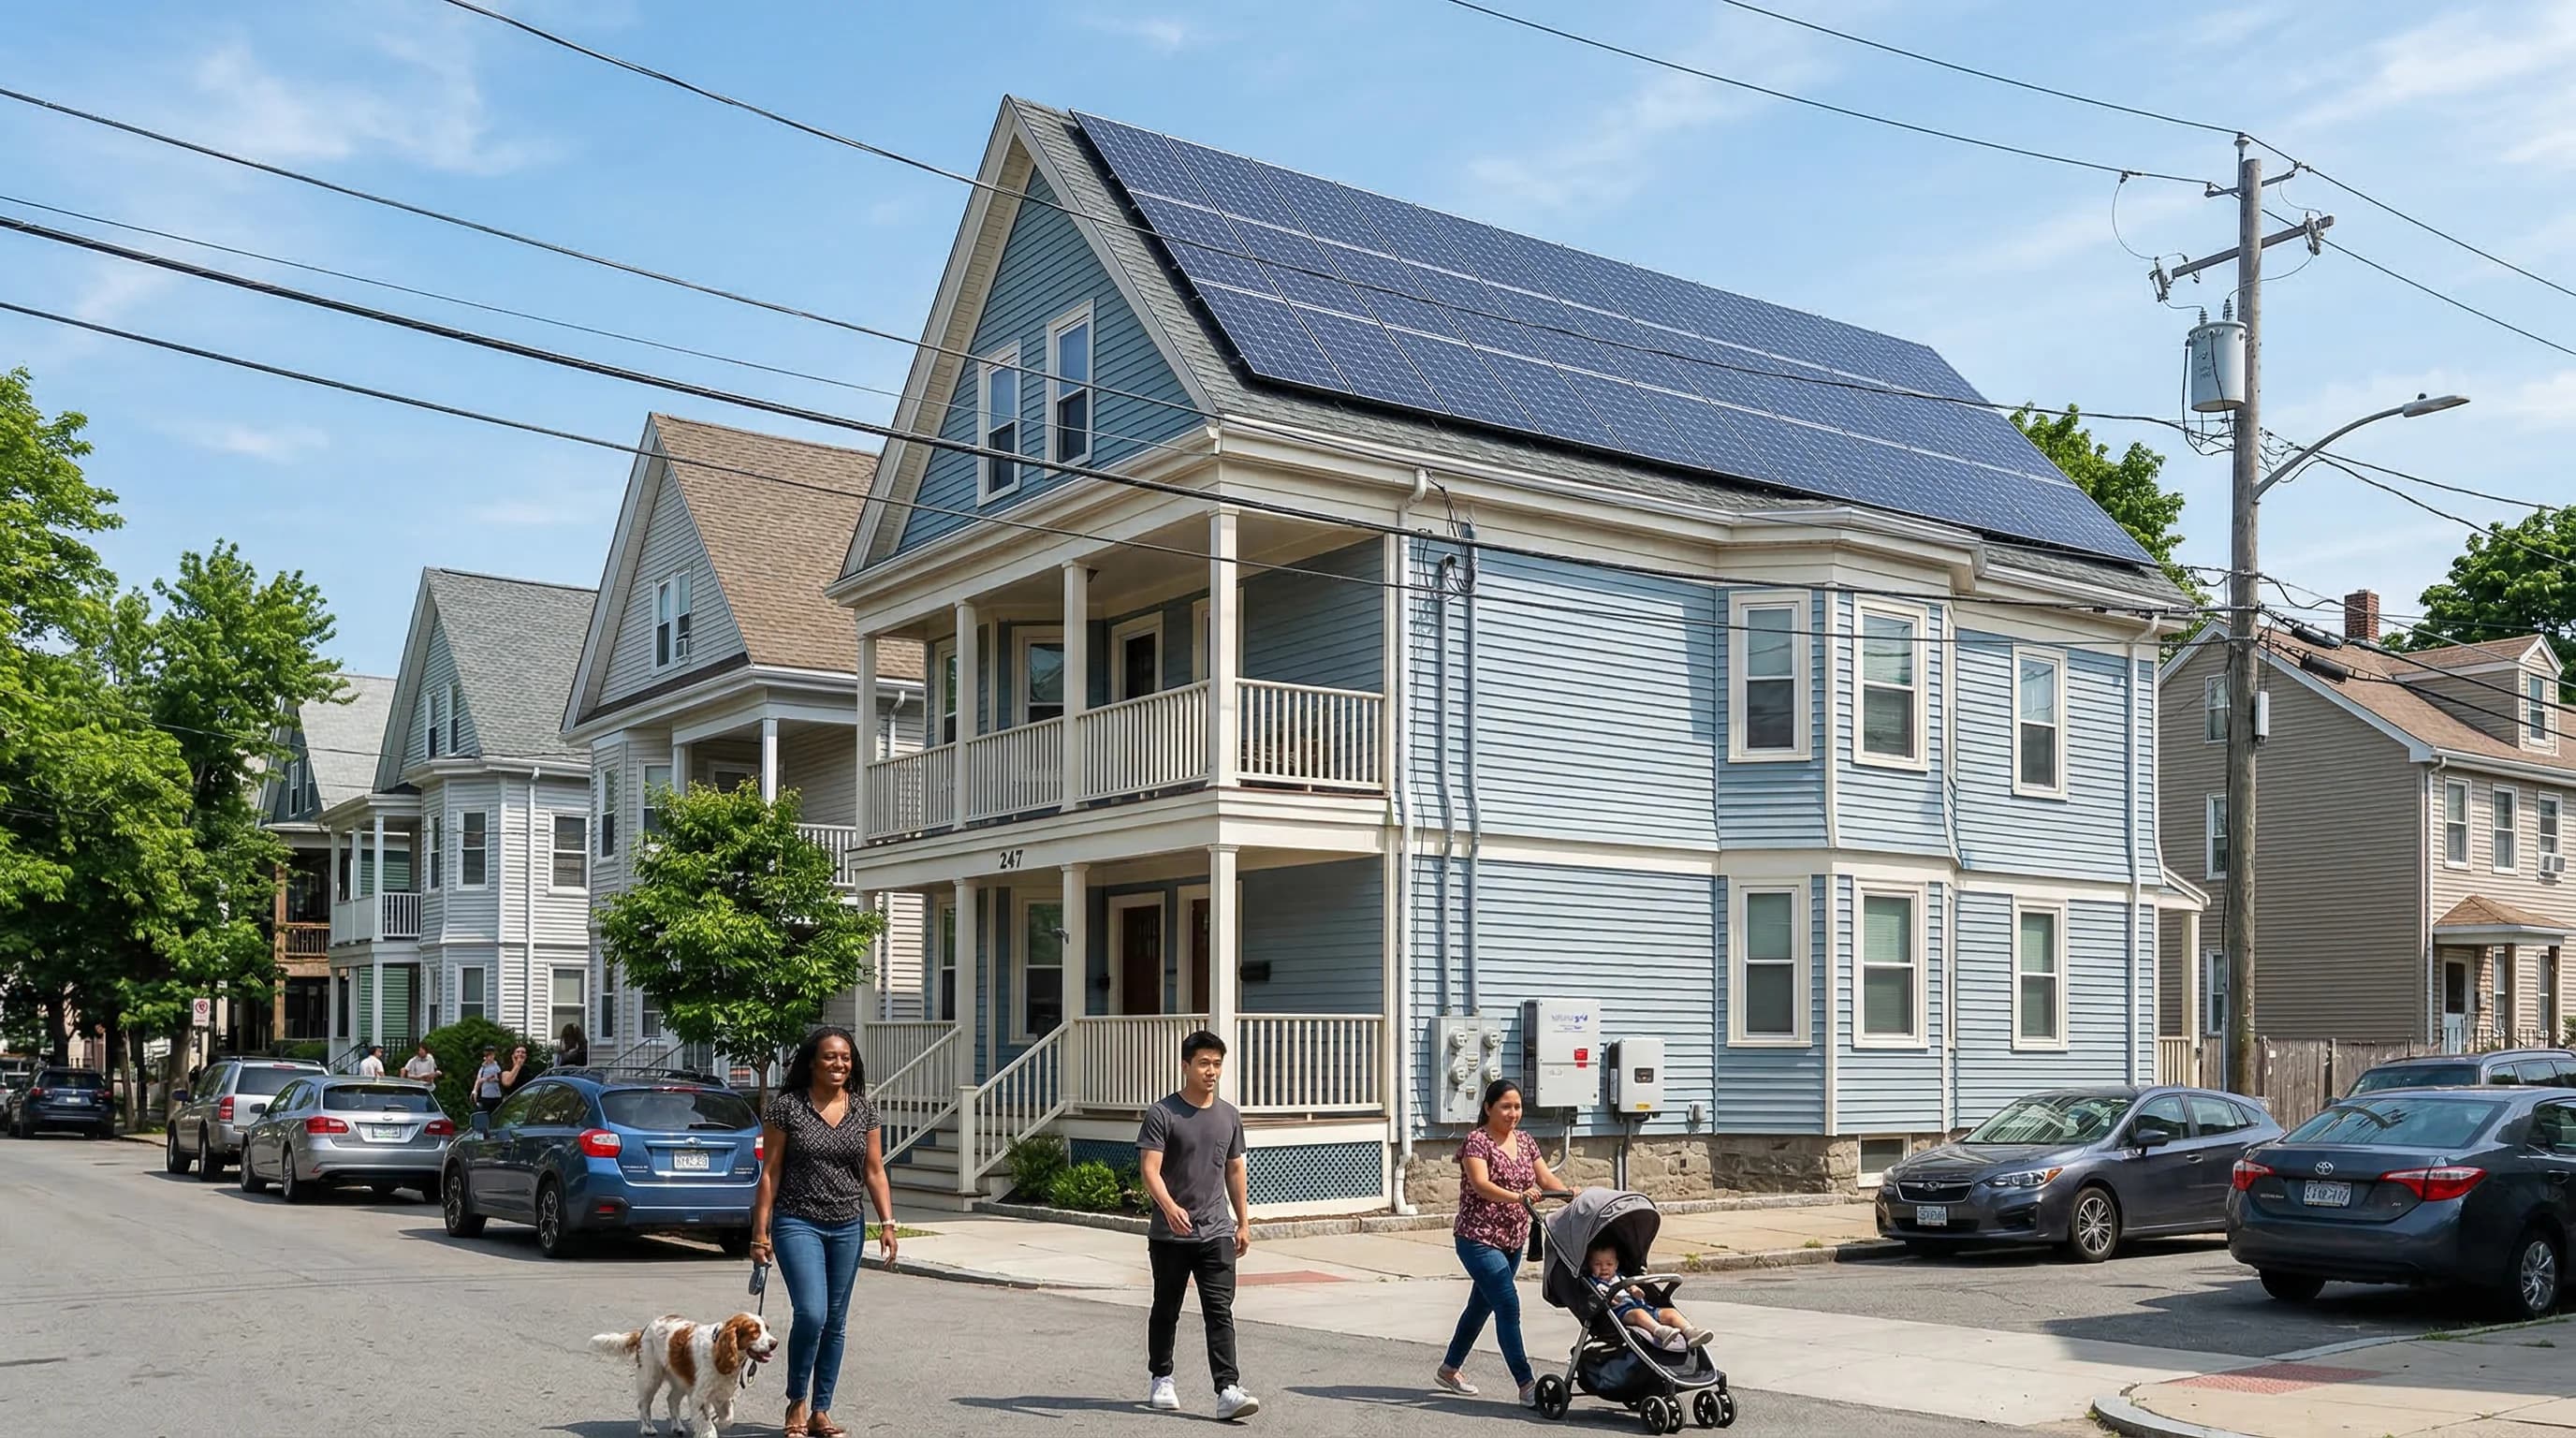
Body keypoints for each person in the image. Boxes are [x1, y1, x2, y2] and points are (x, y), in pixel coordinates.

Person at [750, 1027, 896, 1438]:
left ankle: (821, 1411)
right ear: (812, 1062)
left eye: (845, 1057)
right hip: (798, 1220)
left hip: (847, 1224)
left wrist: (887, 1223)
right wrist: (760, 1232)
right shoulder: (788, 1108)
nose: (839, 1064)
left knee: (835, 1321)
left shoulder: (864, 1110)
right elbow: (770, 1172)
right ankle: (796, 1401)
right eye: (830, 1056)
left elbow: (874, 1171)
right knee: (811, 1313)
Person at [1138, 1030, 1259, 1421]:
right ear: (1185, 1066)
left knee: (1219, 1310)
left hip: (1216, 1231)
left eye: (1217, 1064)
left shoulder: (1229, 1116)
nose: (1212, 1072)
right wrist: (1169, 1206)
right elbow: (1150, 1169)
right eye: (1204, 1063)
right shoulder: (1163, 1113)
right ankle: (1161, 1377)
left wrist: (1243, 1222)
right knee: (1166, 1307)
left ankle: (1227, 1390)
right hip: (1170, 1234)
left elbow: (1234, 1169)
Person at [1434, 1078, 1564, 1406]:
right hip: (1477, 1238)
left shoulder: (1525, 1141)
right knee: (1507, 1304)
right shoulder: (1476, 1142)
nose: (1513, 1113)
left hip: (1513, 1240)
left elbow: (1545, 1178)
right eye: (1505, 1107)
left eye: (1517, 1107)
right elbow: (1481, 1184)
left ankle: (1449, 1369)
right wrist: (1519, 1197)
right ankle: (1526, 1384)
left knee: (1481, 1306)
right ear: (1488, 1108)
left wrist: (1570, 1194)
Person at [1586, 1242, 1711, 1353]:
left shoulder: (1620, 1277)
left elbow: (1632, 1287)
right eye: (1597, 1264)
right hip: (1622, 1313)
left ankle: (1690, 1332)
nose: (1604, 1268)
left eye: (1609, 1264)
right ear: (1590, 1265)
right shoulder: (1594, 1283)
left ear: (1616, 1265)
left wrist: (1635, 1290)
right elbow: (1598, 1298)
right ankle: (1659, 1330)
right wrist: (1610, 1300)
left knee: (1670, 1312)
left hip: (1645, 1308)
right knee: (1638, 1314)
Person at [472, 1046, 505, 1115]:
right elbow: (478, 1080)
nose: (489, 1057)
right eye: (487, 1055)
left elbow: (502, 1079)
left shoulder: (498, 1066)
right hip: (485, 1096)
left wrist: (495, 1080)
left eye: (491, 1055)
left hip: (497, 1096)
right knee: (485, 1114)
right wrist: (475, 1091)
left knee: (496, 1114)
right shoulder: (483, 1067)